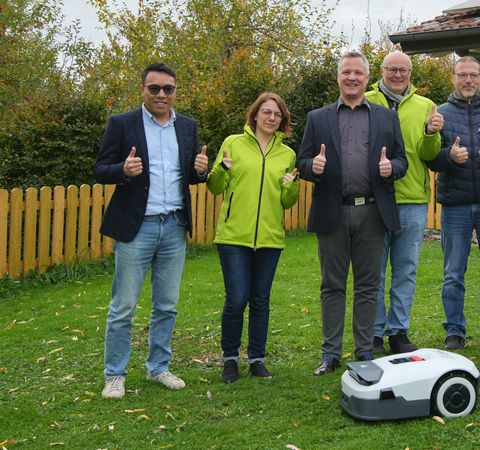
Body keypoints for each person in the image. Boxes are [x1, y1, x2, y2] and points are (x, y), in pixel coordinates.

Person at [94, 62, 208, 398]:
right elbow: (101, 169)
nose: (161, 94)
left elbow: (188, 174)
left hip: (173, 225)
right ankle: (114, 374)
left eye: (168, 89)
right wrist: (123, 170)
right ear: (143, 90)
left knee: (167, 305)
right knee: (124, 305)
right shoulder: (122, 124)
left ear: (175, 92)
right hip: (136, 227)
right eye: (154, 88)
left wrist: (200, 171)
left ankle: (159, 367)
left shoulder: (187, 127)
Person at [296, 50, 407, 376]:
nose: (352, 78)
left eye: (358, 73)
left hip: (372, 212)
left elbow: (403, 161)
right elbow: (302, 161)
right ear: (338, 77)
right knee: (332, 285)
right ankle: (330, 354)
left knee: (368, 286)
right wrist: (312, 167)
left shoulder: (386, 116)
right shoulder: (318, 118)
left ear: (366, 77)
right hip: (333, 211)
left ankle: (363, 351)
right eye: (347, 72)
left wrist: (391, 168)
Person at [207, 92, 299, 383]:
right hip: (234, 236)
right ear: (255, 115)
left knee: (260, 300)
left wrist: (290, 187)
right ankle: (230, 359)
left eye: (277, 115)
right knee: (236, 299)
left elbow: (287, 202)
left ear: (282, 120)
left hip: (270, 239)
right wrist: (222, 168)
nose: (271, 118)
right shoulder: (233, 143)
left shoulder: (287, 154)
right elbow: (214, 186)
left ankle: (257, 358)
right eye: (267, 112)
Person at [427, 56, 480, 352]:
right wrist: (448, 158)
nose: (468, 81)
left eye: (473, 75)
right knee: (452, 273)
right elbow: (430, 158)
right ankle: (454, 331)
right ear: (452, 78)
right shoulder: (440, 114)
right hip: (455, 205)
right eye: (462, 75)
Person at [365, 50, 443, 355]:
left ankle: (398, 331)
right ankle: (372, 333)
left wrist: (431, 133)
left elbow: (429, 154)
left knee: (405, 269)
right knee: (373, 270)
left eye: (404, 70)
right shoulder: (367, 100)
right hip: (374, 197)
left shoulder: (426, 106)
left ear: (411, 74)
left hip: (412, 199)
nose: (398, 75)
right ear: (382, 71)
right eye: (392, 69)